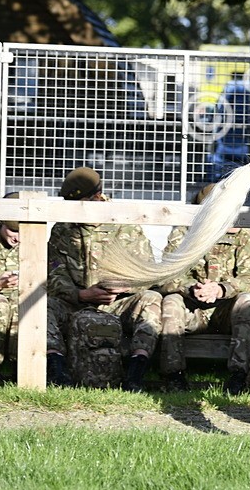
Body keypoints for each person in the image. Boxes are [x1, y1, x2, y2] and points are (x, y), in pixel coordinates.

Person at [47, 167, 169, 392]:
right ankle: (57, 371)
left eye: (81, 203)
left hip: (119, 302)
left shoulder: (125, 224)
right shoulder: (63, 229)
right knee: (44, 306)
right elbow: (54, 273)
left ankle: (136, 372)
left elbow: (147, 270)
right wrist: (80, 294)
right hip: (77, 302)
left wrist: (126, 286)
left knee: (151, 300)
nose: (75, 210)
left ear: (97, 197)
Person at [159, 184, 250, 394]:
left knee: (249, 302)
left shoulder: (243, 233)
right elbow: (165, 276)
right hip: (193, 309)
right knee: (171, 303)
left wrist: (221, 289)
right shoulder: (183, 233)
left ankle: (238, 377)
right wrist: (191, 288)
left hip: (226, 311)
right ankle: (173, 377)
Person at [0, 195, 71, 385]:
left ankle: (22, 369)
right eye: (13, 231)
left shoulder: (38, 243)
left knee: (28, 305)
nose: (18, 237)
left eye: (22, 231)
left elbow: (56, 278)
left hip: (25, 302)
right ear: (1, 224)